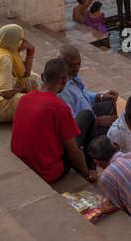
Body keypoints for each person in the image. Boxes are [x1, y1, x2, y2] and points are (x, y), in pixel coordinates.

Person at [11, 57, 99, 185]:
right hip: (47, 172)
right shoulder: (60, 107)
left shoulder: (24, 98)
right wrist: (86, 173)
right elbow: (73, 154)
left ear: (42, 77)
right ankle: (92, 168)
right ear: (64, 81)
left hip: (22, 165)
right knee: (87, 116)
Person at [57, 45, 118, 148]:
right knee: (115, 130)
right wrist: (98, 121)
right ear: (62, 64)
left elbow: (82, 95)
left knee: (108, 102)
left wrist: (101, 96)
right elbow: (72, 122)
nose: (76, 68)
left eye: (78, 64)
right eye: (72, 65)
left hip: (91, 114)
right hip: (86, 129)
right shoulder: (61, 90)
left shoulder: (73, 77)